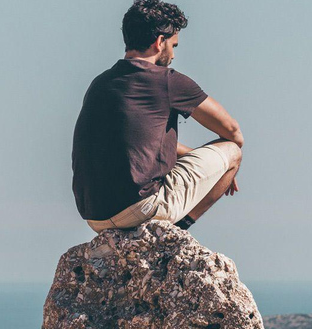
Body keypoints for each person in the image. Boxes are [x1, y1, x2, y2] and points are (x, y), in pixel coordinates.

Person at [72, 0, 243, 233]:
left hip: (95, 217)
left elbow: (135, 141)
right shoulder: (168, 81)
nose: (172, 54)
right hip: (142, 208)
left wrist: (198, 157)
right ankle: (175, 232)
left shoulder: (101, 83)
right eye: (174, 45)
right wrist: (221, 168)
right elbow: (233, 132)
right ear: (160, 42)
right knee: (232, 151)